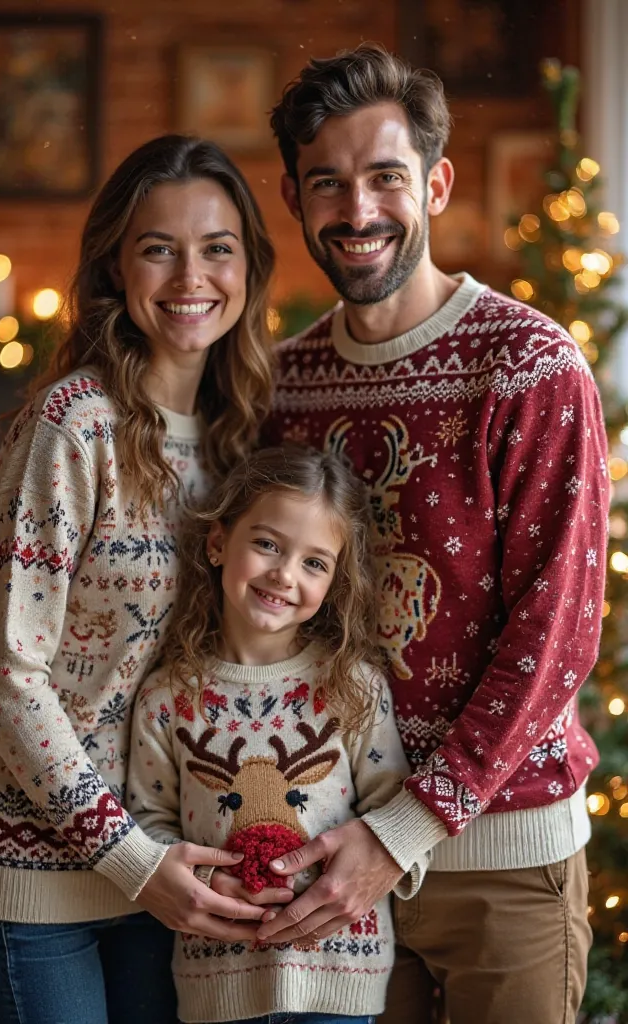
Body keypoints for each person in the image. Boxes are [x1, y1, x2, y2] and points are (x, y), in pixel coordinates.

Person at [259, 43, 609, 1024]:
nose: (357, 210)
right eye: (327, 183)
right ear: (293, 197)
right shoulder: (284, 383)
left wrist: (407, 826)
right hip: (330, 858)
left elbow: (556, 634)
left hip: (501, 861)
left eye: (384, 177)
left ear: (436, 181)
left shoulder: (528, 366)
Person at [0, 134, 278, 1024]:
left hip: (173, 869)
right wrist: (127, 855)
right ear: (114, 267)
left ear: (248, 266)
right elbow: (4, 675)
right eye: (157, 248)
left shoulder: (239, 432)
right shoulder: (73, 426)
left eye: (217, 247)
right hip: (41, 879)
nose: (189, 276)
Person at [126, 445, 427, 1024]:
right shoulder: (168, 696)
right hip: (218, 983)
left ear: (336, 579)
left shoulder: (353, 686)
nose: (284, 574)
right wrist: (207, 878)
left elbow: (393, 815)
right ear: (218, 544)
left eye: (315, 562)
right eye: (267, 543)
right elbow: (149, 820)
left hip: (340, 981)